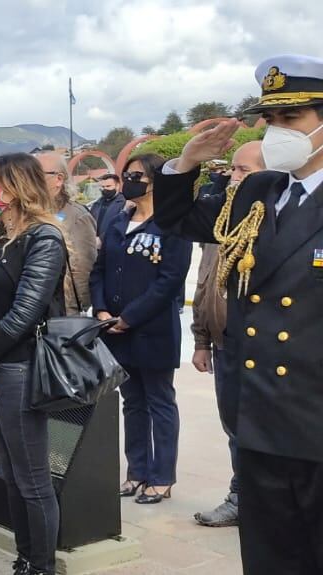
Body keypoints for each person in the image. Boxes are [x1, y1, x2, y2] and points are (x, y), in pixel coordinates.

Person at [154, 55, 323, 574]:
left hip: (316, 418)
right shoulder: (259, 190)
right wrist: (185, 163)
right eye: (270, 120)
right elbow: (179, 219)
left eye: (291, 119)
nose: (276, 132)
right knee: (271, 554)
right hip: (261, 418)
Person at [0, 153, 68, 575]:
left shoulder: (44, 237)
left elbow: (24, 314)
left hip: (20, 369)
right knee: (10, 470)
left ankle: (41, 566)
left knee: (33, 479)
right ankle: (24, 558)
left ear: (19, 186)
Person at [90, 153, 192, 505]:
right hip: (115, 330)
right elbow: (99, 269)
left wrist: (130, 317)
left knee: (159, 401)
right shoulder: (118, 220)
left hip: (152, 330)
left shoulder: (172, 223)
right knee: (131, 402)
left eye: (136, 176)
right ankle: (136, 471)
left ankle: (161, 476)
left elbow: (169, 281)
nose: (127, 182)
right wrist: (102, 309)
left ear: (155, 181)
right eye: (125, 175)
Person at [191, 141, 264, 528]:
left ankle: (261, 500)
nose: (232, 178)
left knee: (261, 428)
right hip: (224, 344)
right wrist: (202, 340)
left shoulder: (271, 224)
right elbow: (205, 284)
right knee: (234, 426)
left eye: (242, 171)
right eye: (232, 170)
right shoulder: (221, 222)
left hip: (261, 347)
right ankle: (242, 497)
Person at [35, 151, 97, 315]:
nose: (31, 178)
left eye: (38, 173)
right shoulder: (32, 212)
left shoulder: (77, 216)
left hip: (64, 309)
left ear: (59, 179)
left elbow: (83, 269)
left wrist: (82, 310)